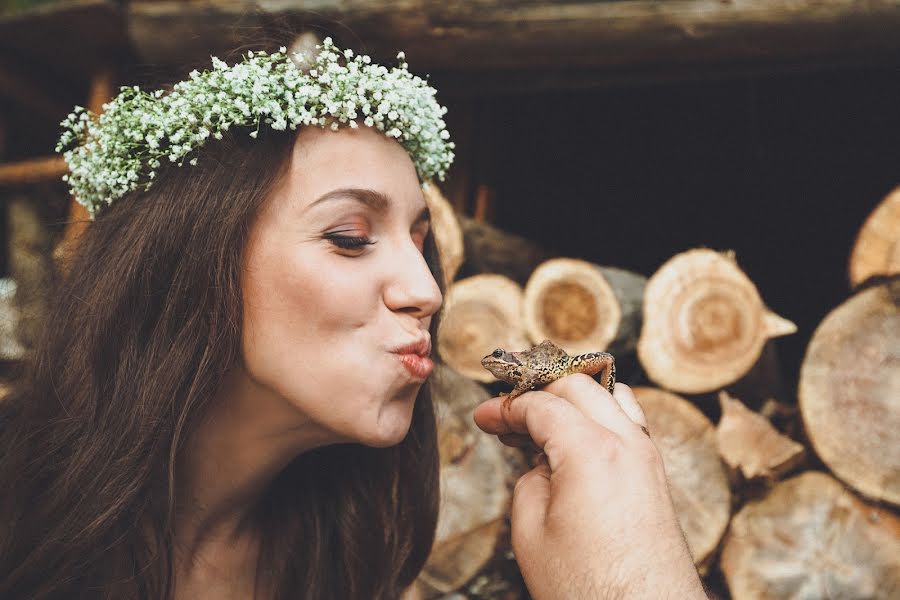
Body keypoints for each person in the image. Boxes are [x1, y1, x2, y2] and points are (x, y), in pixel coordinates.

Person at [0, 38, 704, 600]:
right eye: (349, 236)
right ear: (183, 259)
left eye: (422, 240)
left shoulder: (346, 556)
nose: (425, 289)